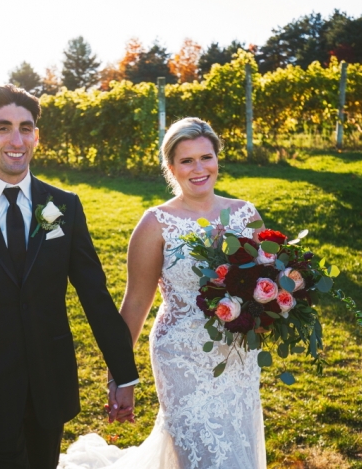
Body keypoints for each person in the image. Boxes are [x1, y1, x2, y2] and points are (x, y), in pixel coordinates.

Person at [0, 84, 139, 469]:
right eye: (3, 128)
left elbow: (94, 294)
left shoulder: (64, 206)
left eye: (26, 128)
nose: (16, 139)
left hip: (50, 384)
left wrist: (123, 374)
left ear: (36, 136)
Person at [60, 117, 267, 468]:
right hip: (181, 358)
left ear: (218, 158)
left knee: (236, 447)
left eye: (206, 157)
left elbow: (266, 282)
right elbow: (136, 303)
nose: (199, 168)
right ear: (171, 167)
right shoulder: (155, 224)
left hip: (238, 358)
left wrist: (267, 314)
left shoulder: (245, 214)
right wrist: (120, 377)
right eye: (187, 161)